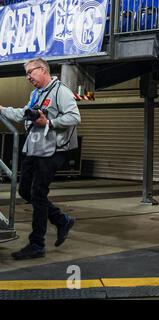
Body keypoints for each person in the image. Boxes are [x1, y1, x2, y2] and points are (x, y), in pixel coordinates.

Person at [0, 58, 80, 260]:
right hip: (35, 148)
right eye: (26, 73)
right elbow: (23, 114)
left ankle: (37, 244)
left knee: (37, 193)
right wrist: (2, 109)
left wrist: (50, 122)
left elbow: (74, 117)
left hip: (53, 150)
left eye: (30, 72)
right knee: (25, 190)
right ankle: (61, 220)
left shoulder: (60, 91)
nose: (28, 77)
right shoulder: (36, 94)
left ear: (43, 70)